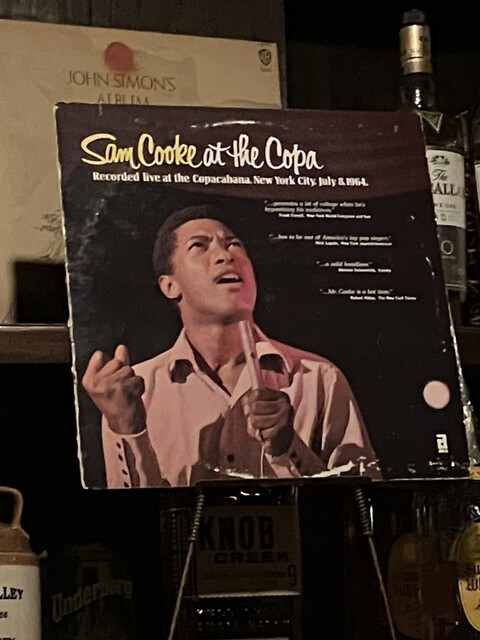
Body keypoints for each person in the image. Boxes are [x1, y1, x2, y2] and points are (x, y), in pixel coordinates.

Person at [82, 204, 382, 487]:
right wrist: (127, 428)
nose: (225, 255)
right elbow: (134, 516)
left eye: (233, 244)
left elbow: (360, 503)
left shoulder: (319, 378)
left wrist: (288, 446)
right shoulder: (135, 391)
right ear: (170, 285)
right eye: (199, 246)